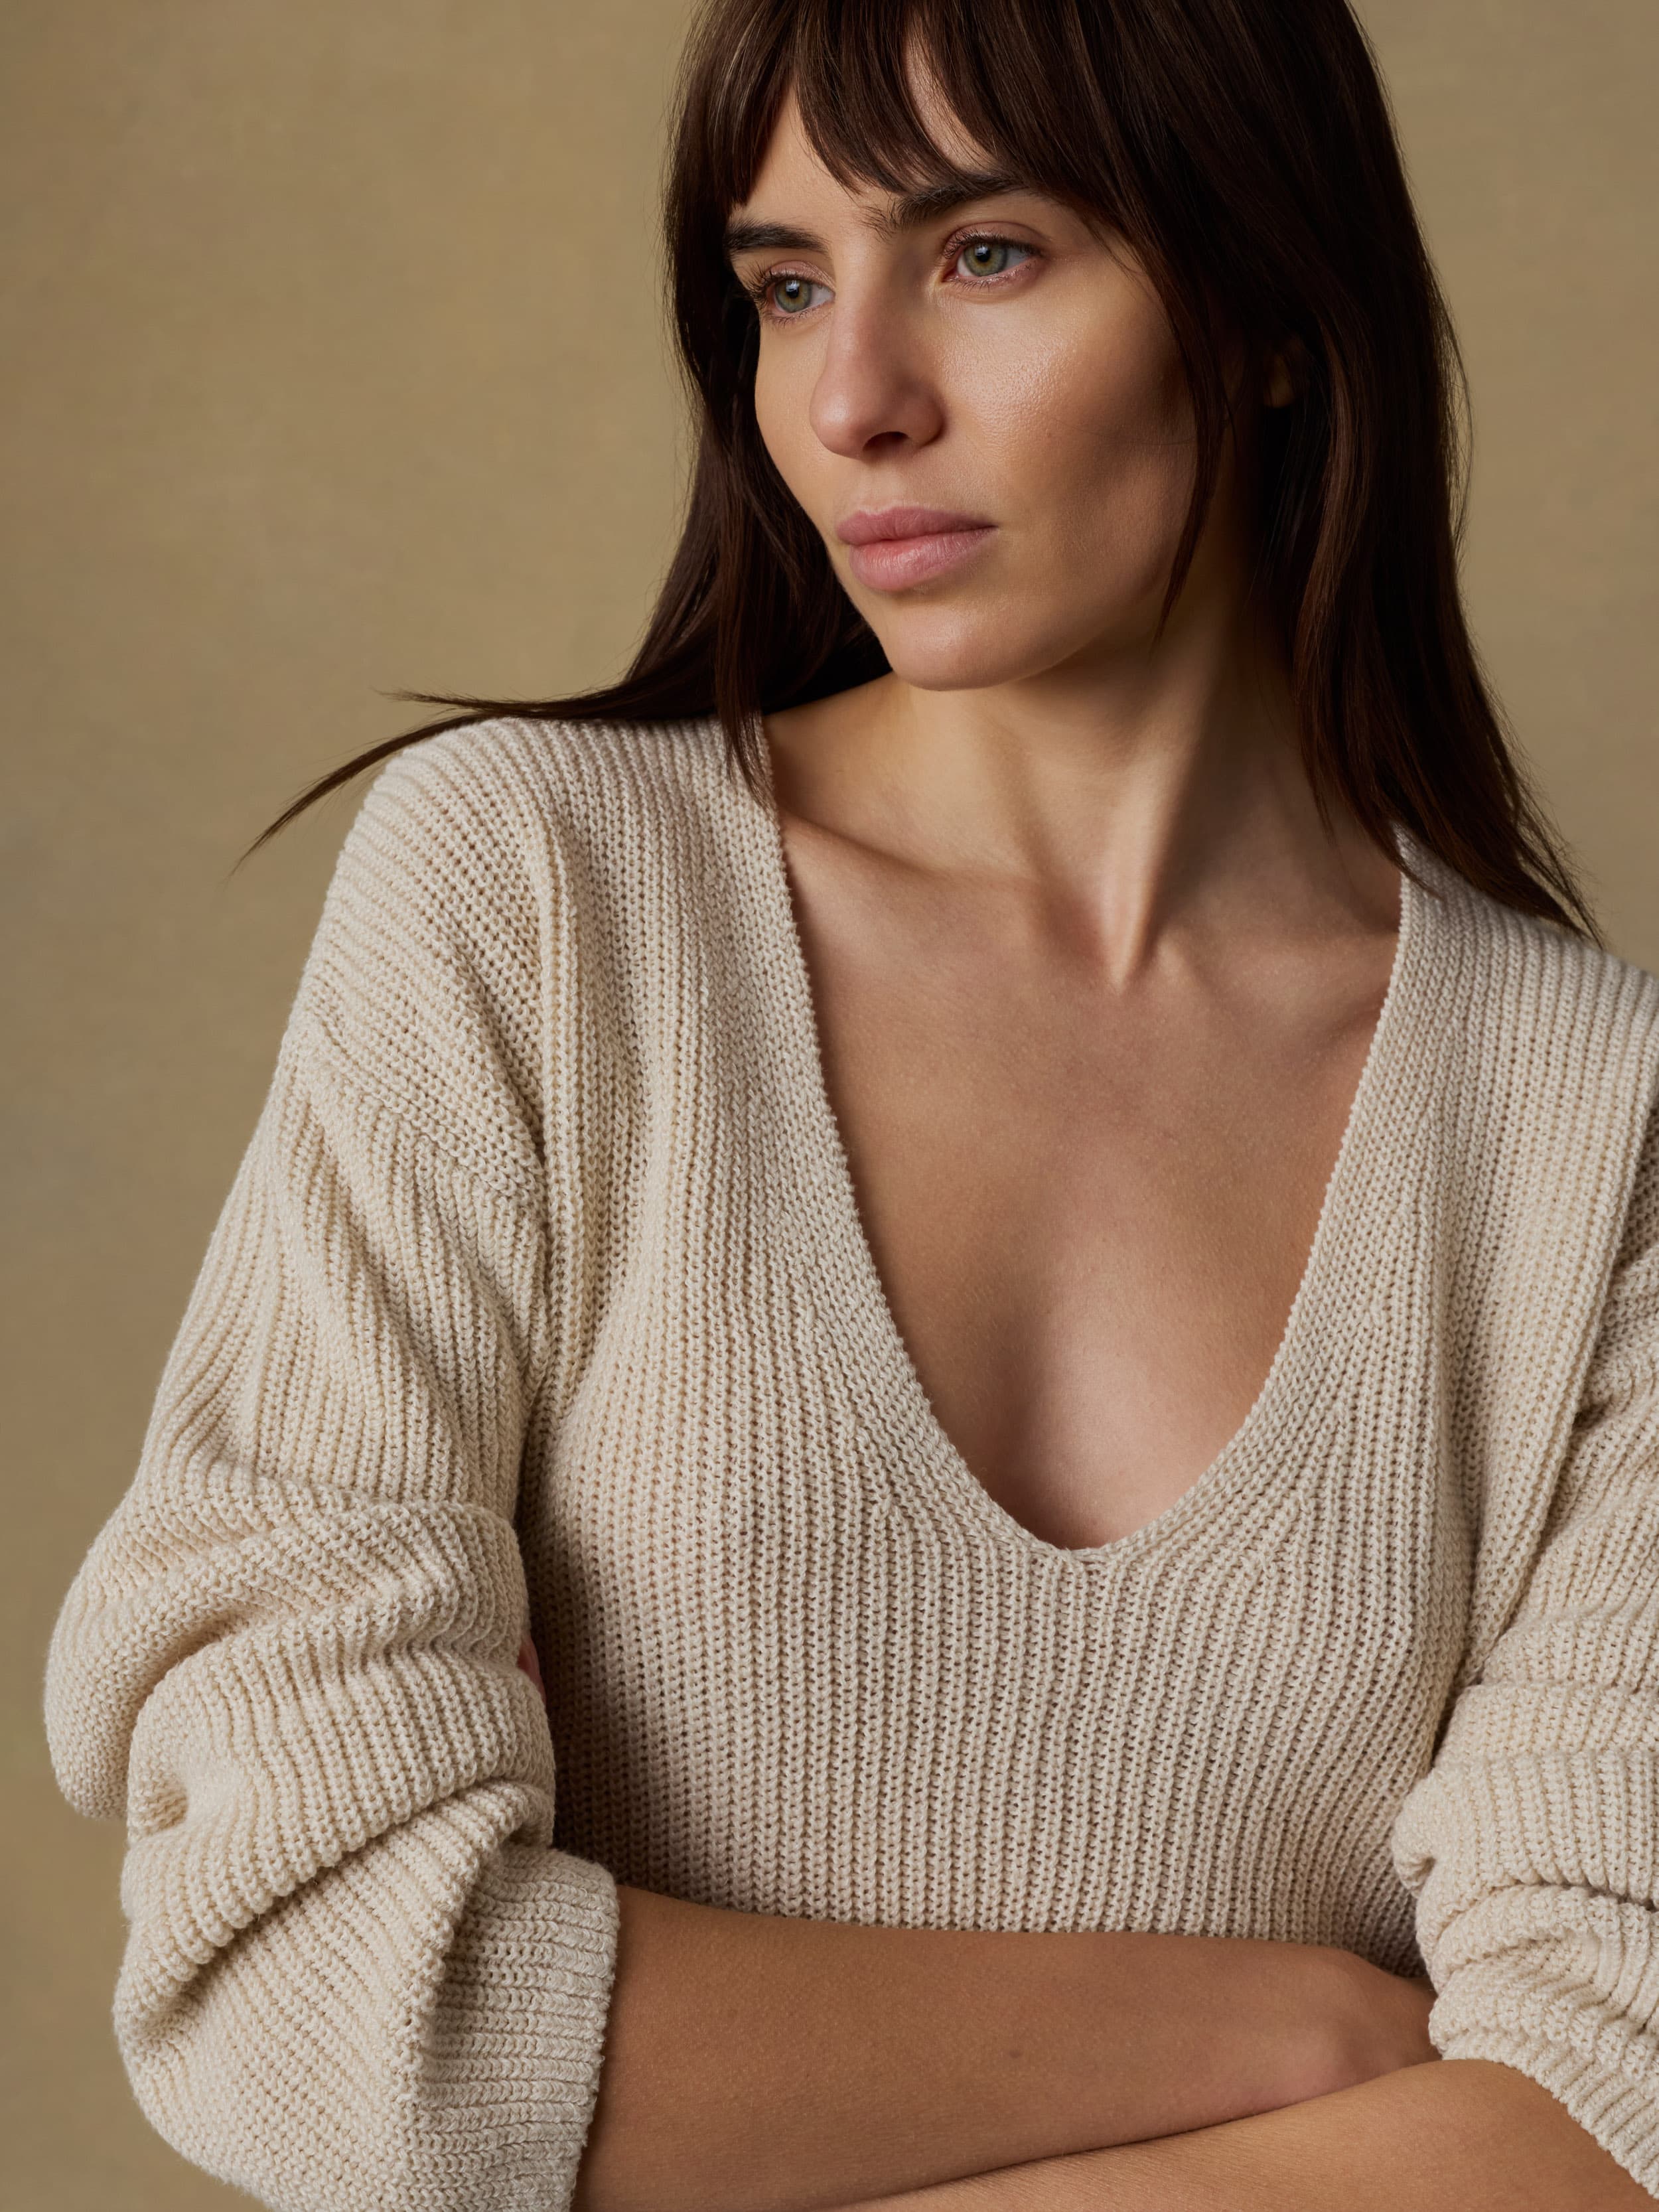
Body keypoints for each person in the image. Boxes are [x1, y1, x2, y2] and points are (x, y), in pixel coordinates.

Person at [42, 0, 1659, 2207]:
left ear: (1273, 309)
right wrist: (1304, 2025)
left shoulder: (1593, 1125)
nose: (847, 401)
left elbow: (1609, 2100)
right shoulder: (534, 897)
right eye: (785, 282)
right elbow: (328, 1998)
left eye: (983, 255)